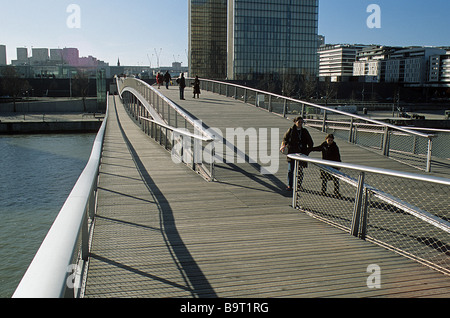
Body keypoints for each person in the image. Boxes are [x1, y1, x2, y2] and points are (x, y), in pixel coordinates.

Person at [280, 116, 314, 191]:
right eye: (299, 122)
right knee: (290, 170)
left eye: (302, 122)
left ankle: (299, 185)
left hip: (301, 153)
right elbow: (285, 139)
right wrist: (283, 145)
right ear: (295, 122)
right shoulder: (291, 130)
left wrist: (307, 152)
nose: (300, 124)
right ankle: (290, 185)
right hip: (292, 152)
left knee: (300, 170)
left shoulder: (305, 131)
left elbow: (310, 143)